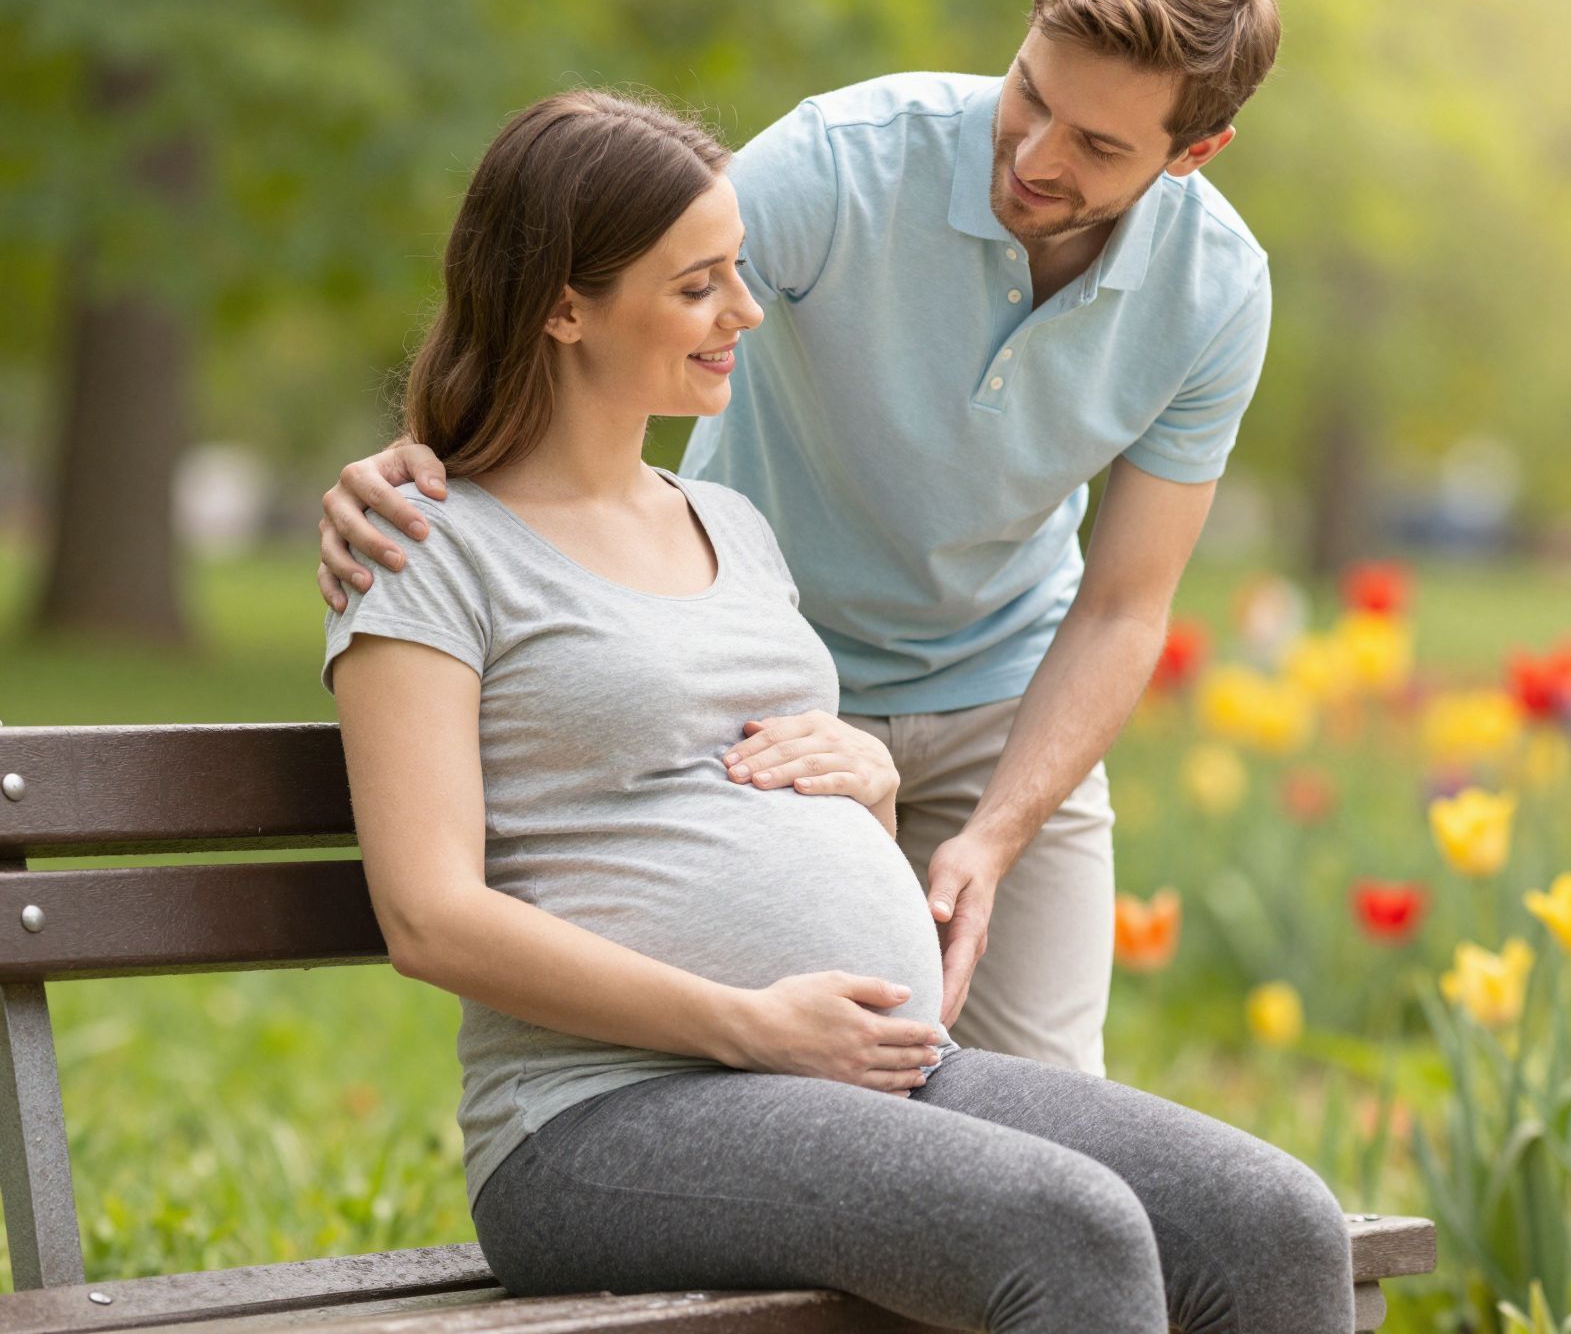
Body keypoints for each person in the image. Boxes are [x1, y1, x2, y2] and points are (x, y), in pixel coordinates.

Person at [321, 89, 1353, 1330]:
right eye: (698, 286)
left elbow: (730, 771)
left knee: (1273, 1224)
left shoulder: (732, 526)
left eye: (735, 273)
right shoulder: (429, 548)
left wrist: (865, 776)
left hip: (871, 1078)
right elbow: (429, 918)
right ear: (562, 304)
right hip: (596, 1120)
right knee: (1065, 1234)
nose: (748, 311)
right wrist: (747, 1025)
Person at [314, 0, 1281, 1078]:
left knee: (1045, 1097)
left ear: (1194, 152)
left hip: (1000, 695)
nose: (1034, 157)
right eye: (1029, 94)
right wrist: (427, 470)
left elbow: (1126, 604)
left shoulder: (1215, 292)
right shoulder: (840, 161)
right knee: (782, 1091)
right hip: (756, 686)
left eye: (1098, 147)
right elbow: (593, 287)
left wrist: (992, 835)